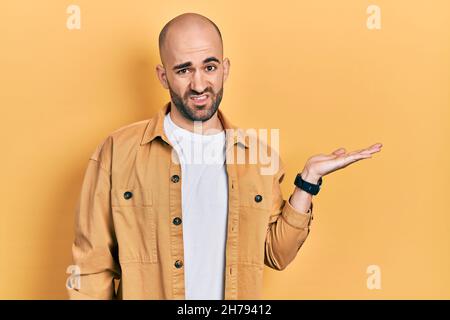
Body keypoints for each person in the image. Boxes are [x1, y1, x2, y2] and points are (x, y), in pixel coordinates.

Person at [67, 12, 382, 300]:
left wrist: (308, 181)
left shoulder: (259, 157)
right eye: (183, 70)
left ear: (225, 68)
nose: (199, 84)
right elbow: (92, 268)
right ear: (163, 77)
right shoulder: (117, 152)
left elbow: (276, 254)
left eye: (209, 66)